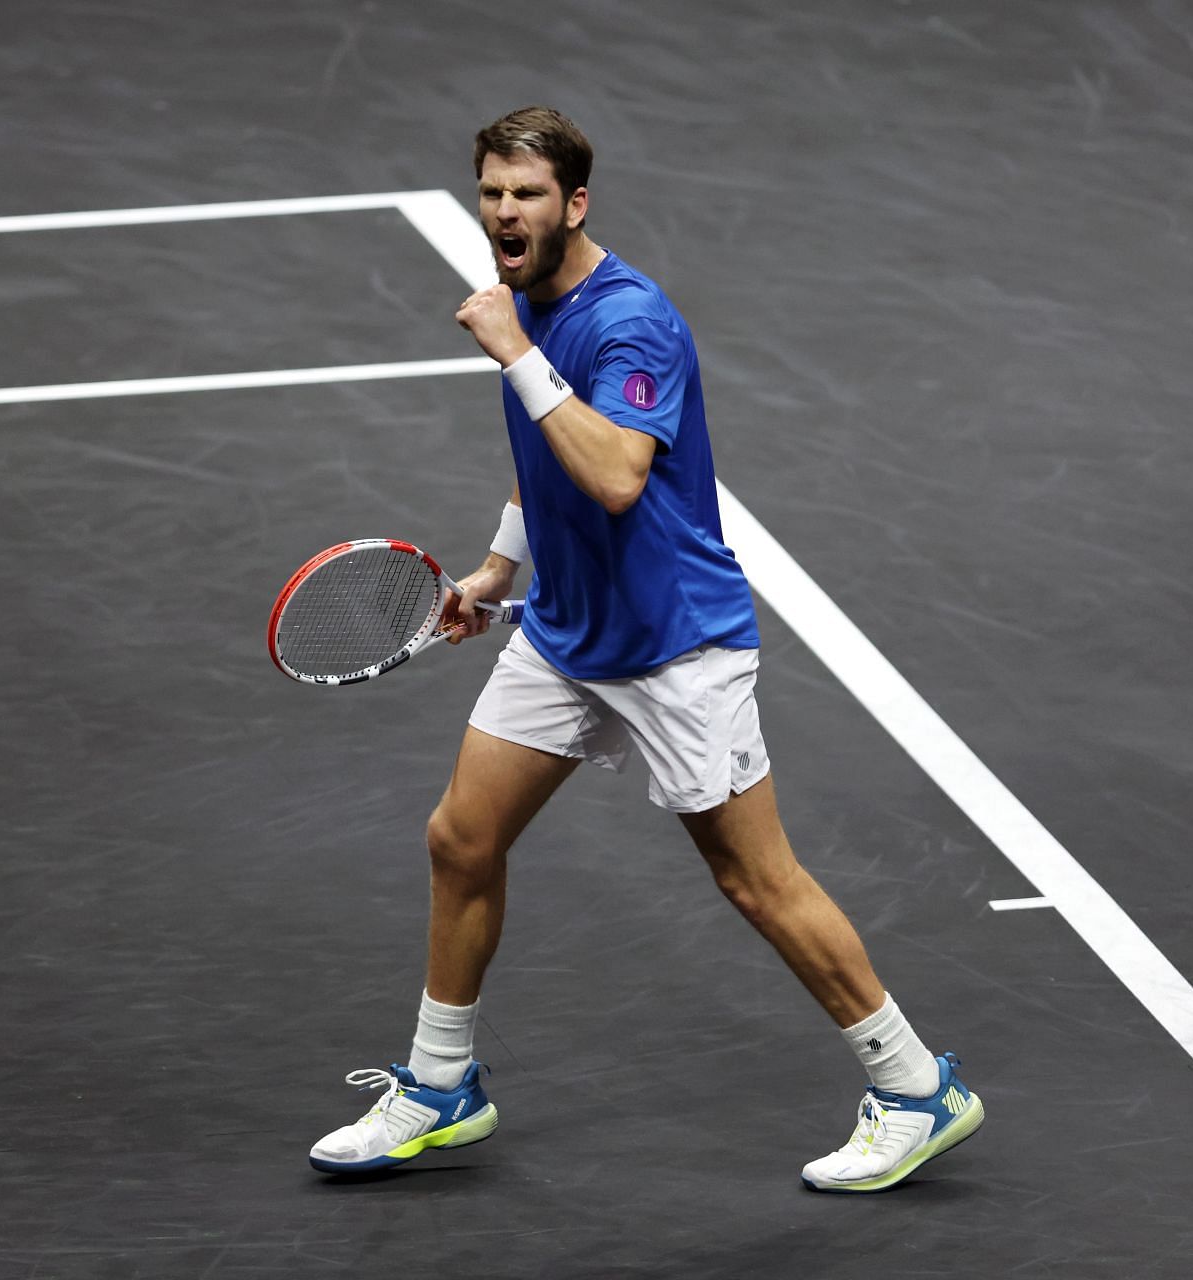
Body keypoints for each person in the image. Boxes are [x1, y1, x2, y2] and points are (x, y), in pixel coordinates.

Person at [308, 106, 983, 1193]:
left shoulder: (630, 323)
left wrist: (519, 353)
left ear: (575, 204)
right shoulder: (527, 306)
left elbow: (618, 473)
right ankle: (442, 1085)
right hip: (572, 633)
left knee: (756, 879)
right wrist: (496, 570)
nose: (503, 213)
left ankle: (916, 1088)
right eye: (491, 193)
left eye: (526, 195)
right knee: (461, 837)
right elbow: (546, 463)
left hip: (677, 647)